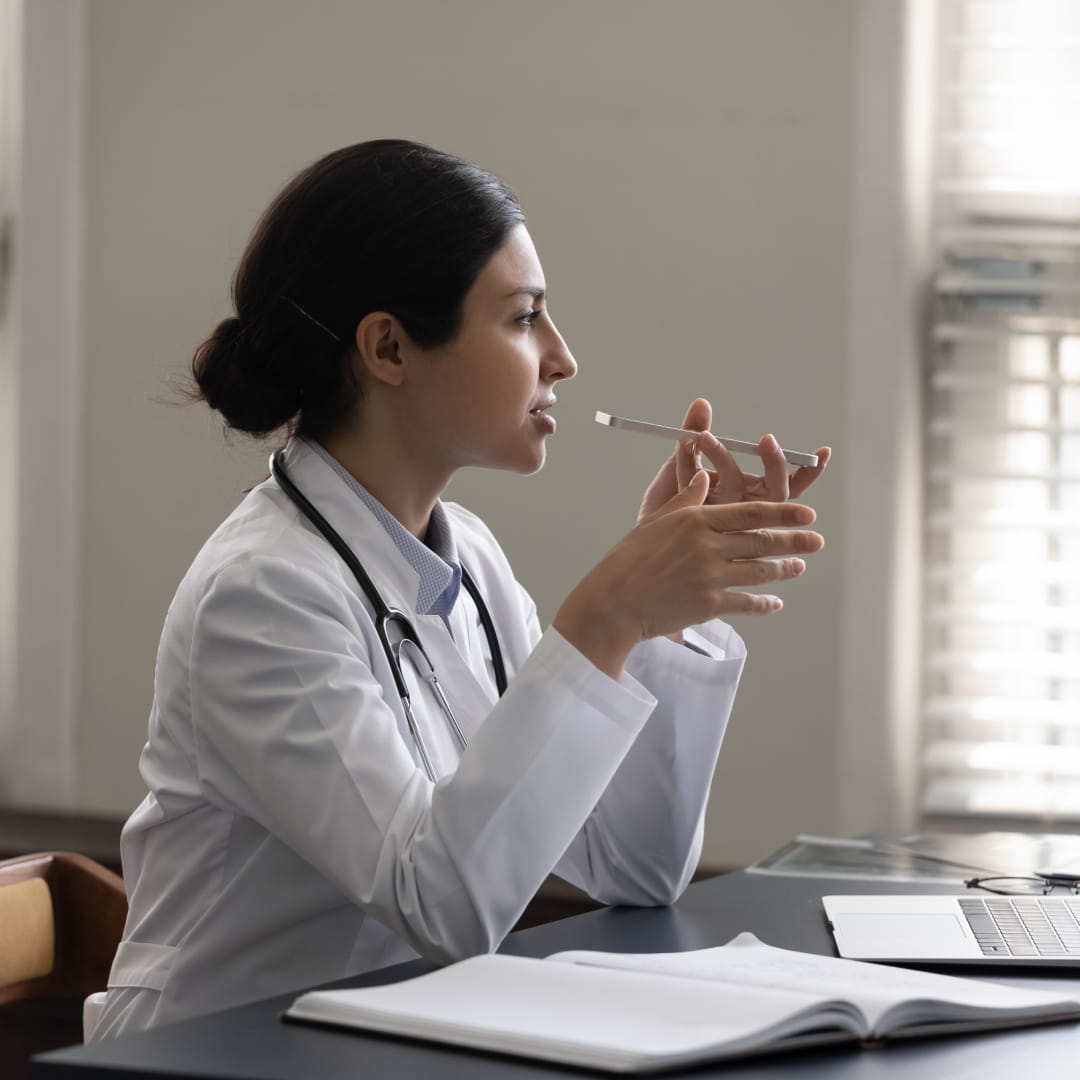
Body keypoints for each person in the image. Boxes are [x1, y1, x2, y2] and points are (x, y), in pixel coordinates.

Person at [91, 139, 829, 1039]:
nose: (563, 359)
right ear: (390, 347)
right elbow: (438, 903)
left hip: (382, 1046)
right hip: (218, 1054)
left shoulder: (465, 558)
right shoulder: (262, 595)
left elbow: (635, 866)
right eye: (524, 319)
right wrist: (604, 617)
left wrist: (663, 618)